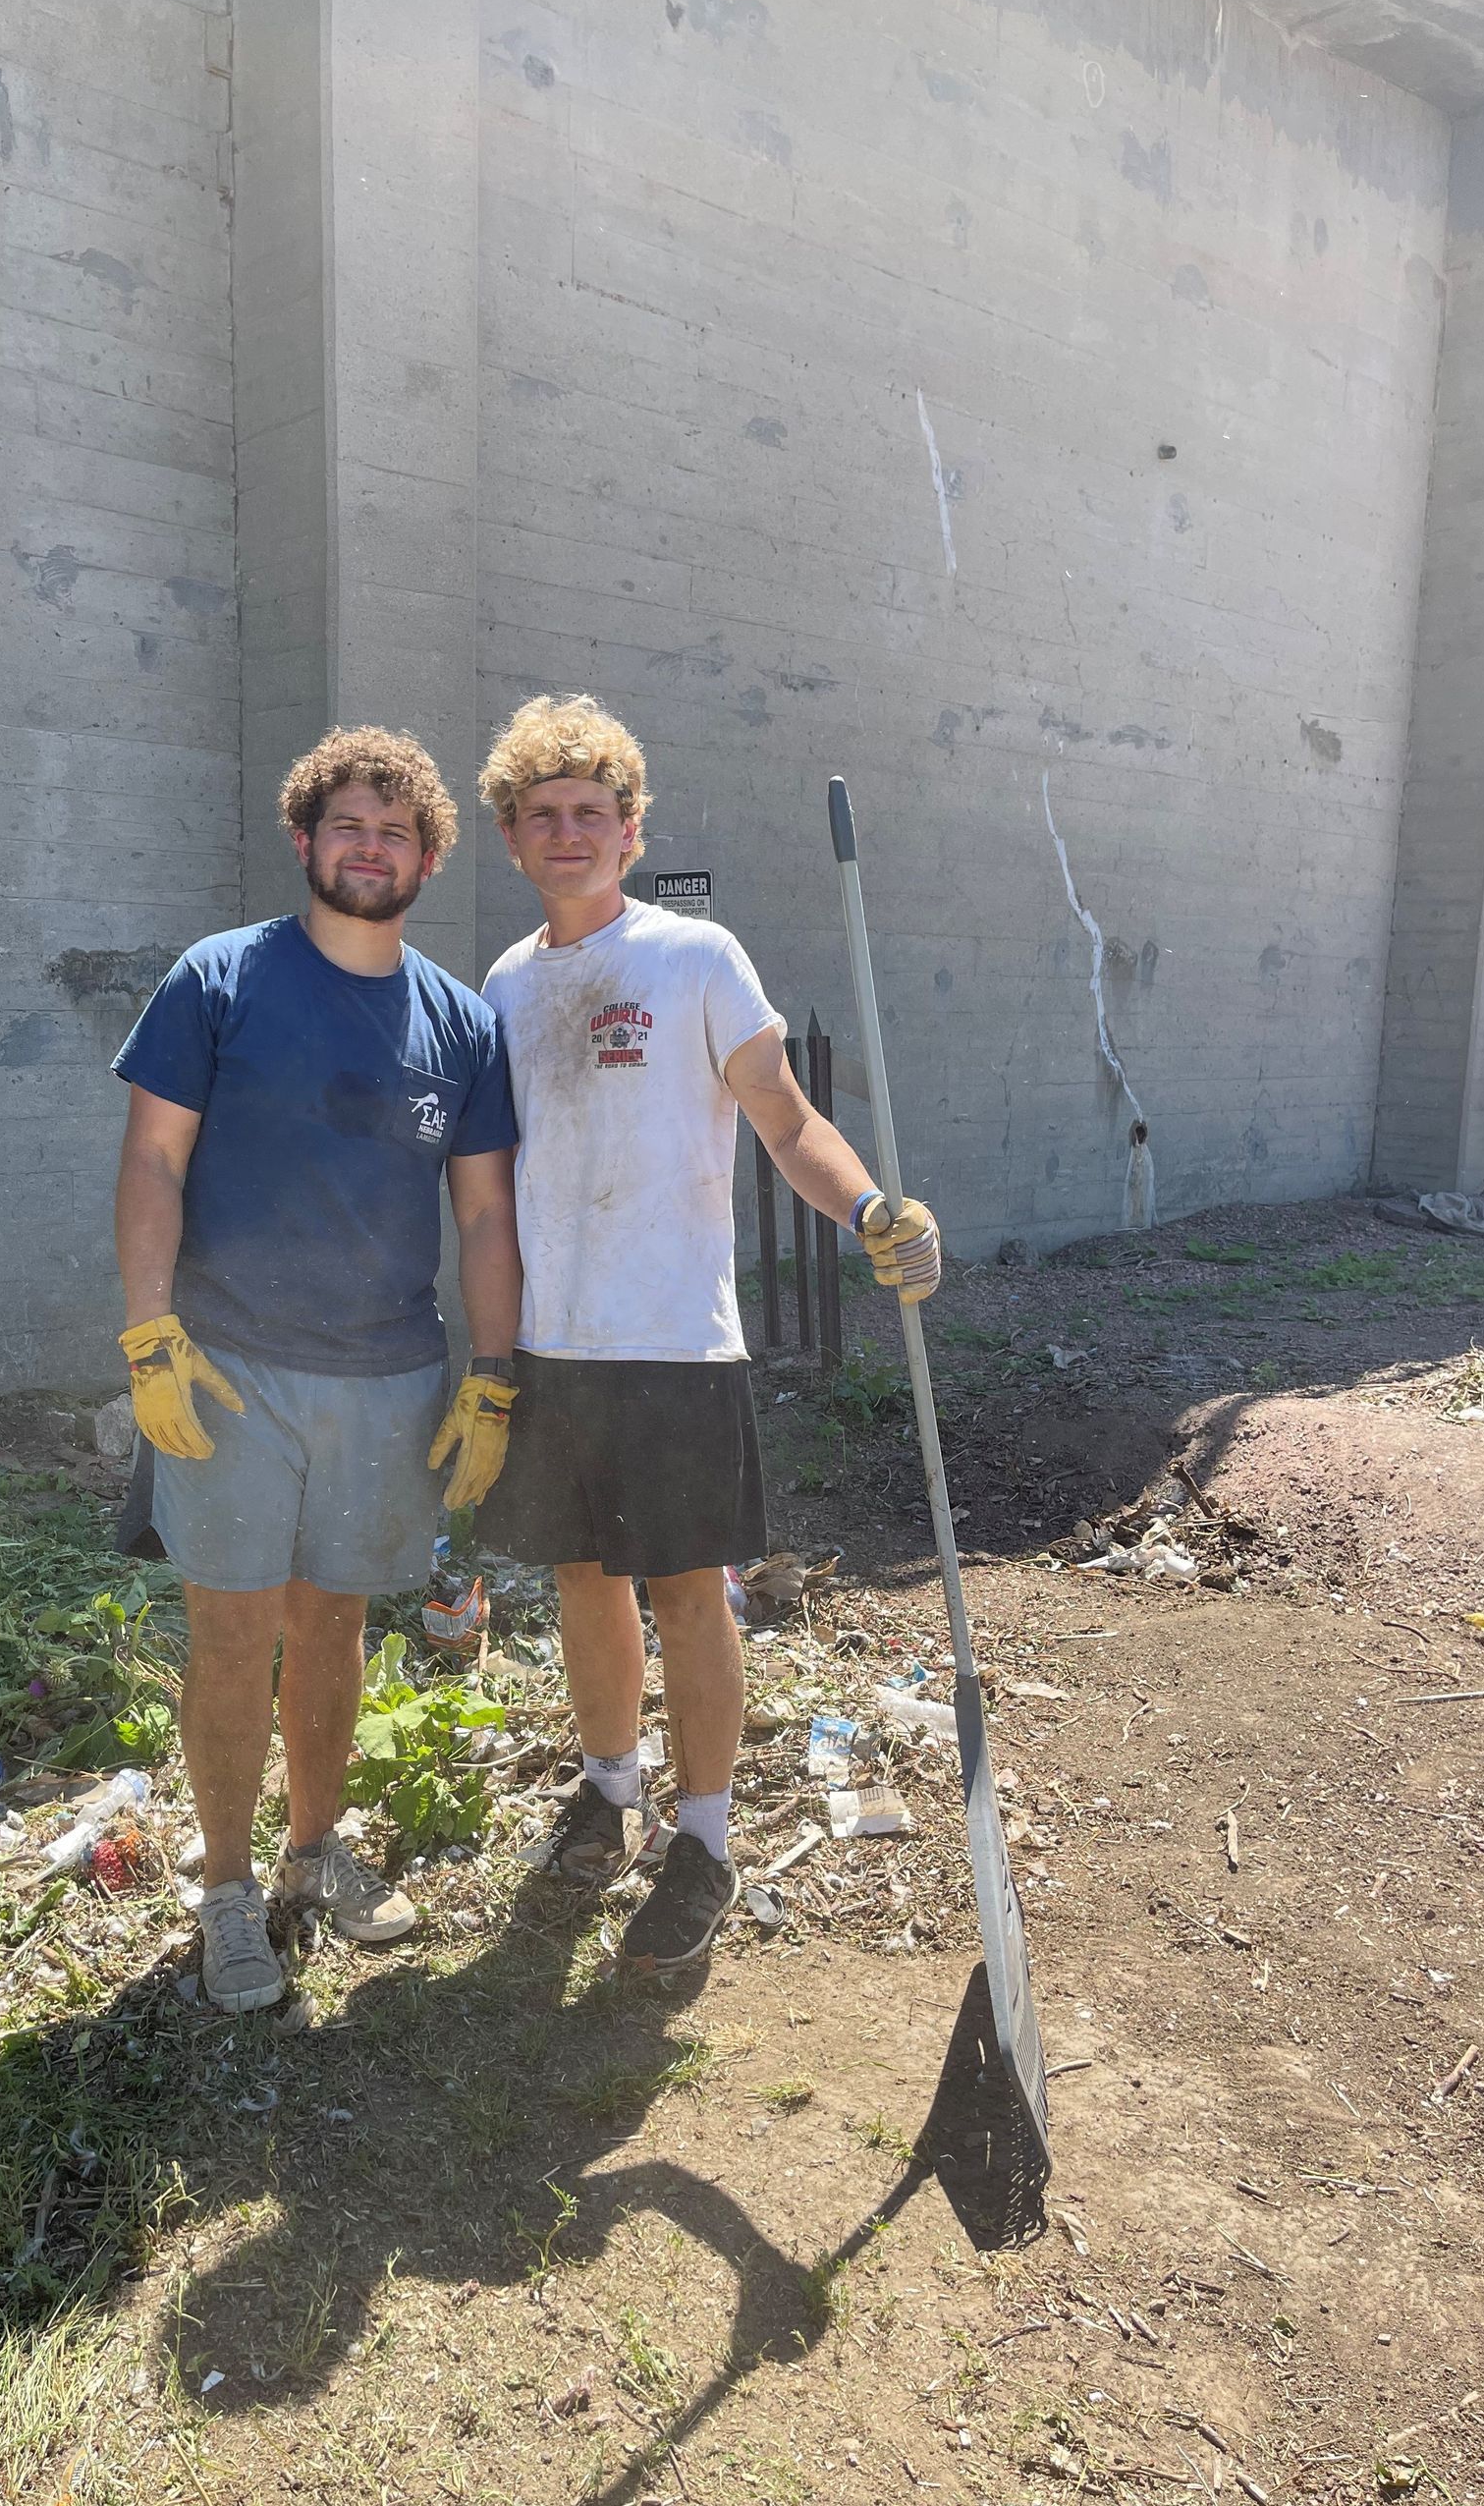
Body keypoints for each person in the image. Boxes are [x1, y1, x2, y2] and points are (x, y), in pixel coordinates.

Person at [473, 696, 941, 1971]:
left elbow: (786, 1122)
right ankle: (609, 1790)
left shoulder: (697, 957)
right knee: (581, 1580)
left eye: (592, 813)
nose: (569, 834)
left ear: (629, 831)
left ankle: (706, 1840)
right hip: (555, 1352)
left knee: (686, 1594)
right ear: (513, 837)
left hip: (676, 1344)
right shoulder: (505, 988)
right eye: (542, 815)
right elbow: (489, 1181)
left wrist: (868, 1207)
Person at [112, 729, 522, 2013]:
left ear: (429, 857)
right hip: (227, 1373)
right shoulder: (219, 980)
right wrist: (147, 1334)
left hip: (388, 1380)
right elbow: (152, 1162)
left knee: (334, 1627)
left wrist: (494, 1374)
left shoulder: (460, 1023)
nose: (370, 847)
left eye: (395, 833)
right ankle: (228, 1890)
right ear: (305, 840)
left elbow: (487, 1219)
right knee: (231, 1637)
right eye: (348, 825)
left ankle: (313, 1852)